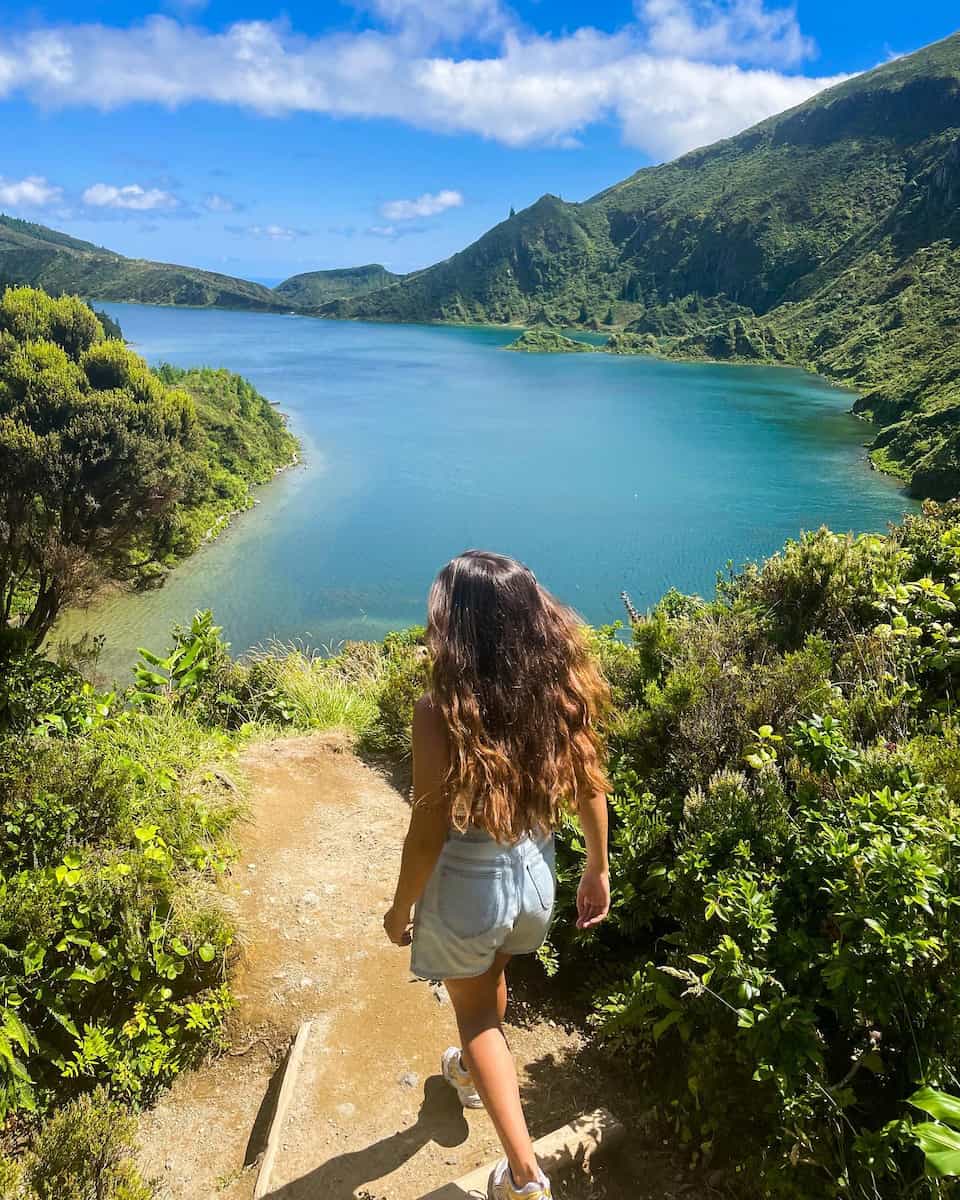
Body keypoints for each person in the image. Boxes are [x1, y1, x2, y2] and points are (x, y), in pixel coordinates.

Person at [383, 550, 611, 1200]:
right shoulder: (557, 691)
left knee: (477, 1014)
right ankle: (467, 1078)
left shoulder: (439, 713)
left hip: (469, 892)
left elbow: (427, 833)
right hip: (535, 880)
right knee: (492, 981)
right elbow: (591, 787)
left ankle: (523, 1175)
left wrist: (400, 910)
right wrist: (598, 868)